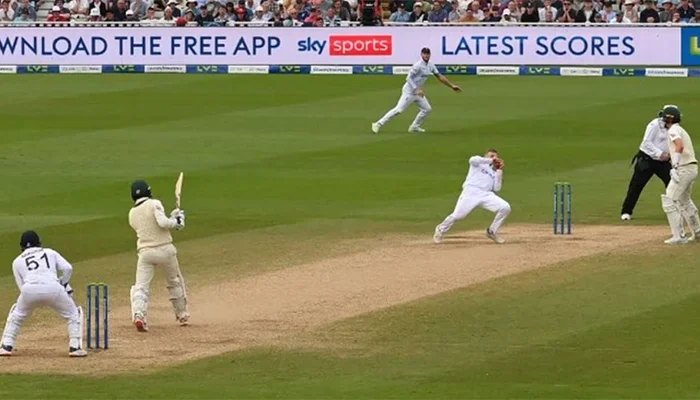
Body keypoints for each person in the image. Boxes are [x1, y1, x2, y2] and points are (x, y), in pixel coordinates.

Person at [0, 231, 86, 357]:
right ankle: (75, 347)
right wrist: (63, 283)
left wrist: (30, 297)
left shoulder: (16, 261)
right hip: (53, 287)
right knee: (73, 313)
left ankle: (6, 346)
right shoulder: (50, 252)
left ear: (22, 246)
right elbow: (68, 268)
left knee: (16, 315)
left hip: (28, 290)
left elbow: (21, 286)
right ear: (39, 243)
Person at [128, 180, 189, 332]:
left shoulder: (132, 213)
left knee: (141, 287)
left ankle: (139, 315)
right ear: (148, 191)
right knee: (174, 282)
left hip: (146, 253)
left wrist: (173, 219)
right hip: (165, 250)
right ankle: (182, 314)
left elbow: (150, 226)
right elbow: (162, 223)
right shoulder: (154, 203)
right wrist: (176, 221)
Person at [371, 47, 461, 134]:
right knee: (398, 110)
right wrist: (416, 89)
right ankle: (378, 124)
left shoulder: (430, 65)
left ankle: (414, 127)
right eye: (424, 54)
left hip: (418, 92)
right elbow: (408, 78)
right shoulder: (417, 66)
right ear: (421, 54)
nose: (426, 55)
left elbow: (439, 76)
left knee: (427, 109)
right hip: (409, 91)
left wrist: (451, 86)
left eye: (428, 54)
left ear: (430, 55)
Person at [433, 149, 511, 244]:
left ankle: (491, 231)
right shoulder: (477, 164)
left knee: (505, 207)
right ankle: (441, 229)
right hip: (471, 192)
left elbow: (497, 188)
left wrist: (499, 171)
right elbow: (472, 159)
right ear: (485, 156)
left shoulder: (494, 172)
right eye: (491, 156)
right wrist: (490, 160)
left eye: (495, 156)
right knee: (458, 216)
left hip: (486, 194)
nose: (494, 158)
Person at [620, 107, 673, 220]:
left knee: (672, 184)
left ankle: (676, 210)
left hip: (663, 162)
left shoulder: (675, 128)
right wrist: (660, 153)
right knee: (636, 186)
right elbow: (646, 142)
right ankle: (626, 212)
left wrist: (669, 155)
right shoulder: (654, 125)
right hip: (647, 159)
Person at [659, 105, 700, 244]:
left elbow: (679, 145)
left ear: (667, 119)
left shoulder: (673, 130)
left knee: (669, 200)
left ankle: (679, 236)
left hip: (683, 169)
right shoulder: (680, 129)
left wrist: (675, 167)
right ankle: (698, 232)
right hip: (691, 168)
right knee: (684, 200)